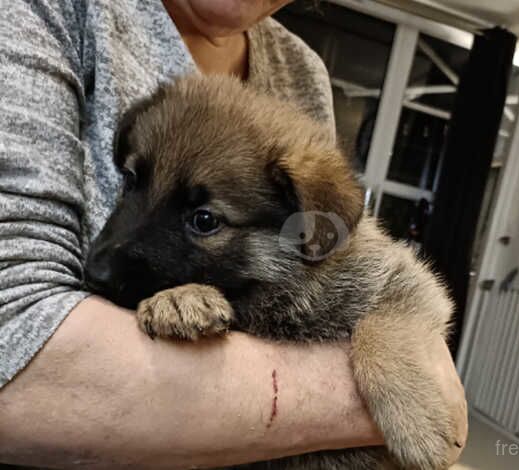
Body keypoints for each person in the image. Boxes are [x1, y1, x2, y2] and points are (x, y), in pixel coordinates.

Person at [0, 1, 468, 468]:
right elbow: (17, 340)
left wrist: (386, 354)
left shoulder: (301, 73)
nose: (107, 261)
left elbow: (411, 294)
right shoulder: (58, 13)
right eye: (131, 181)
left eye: (205, 222)